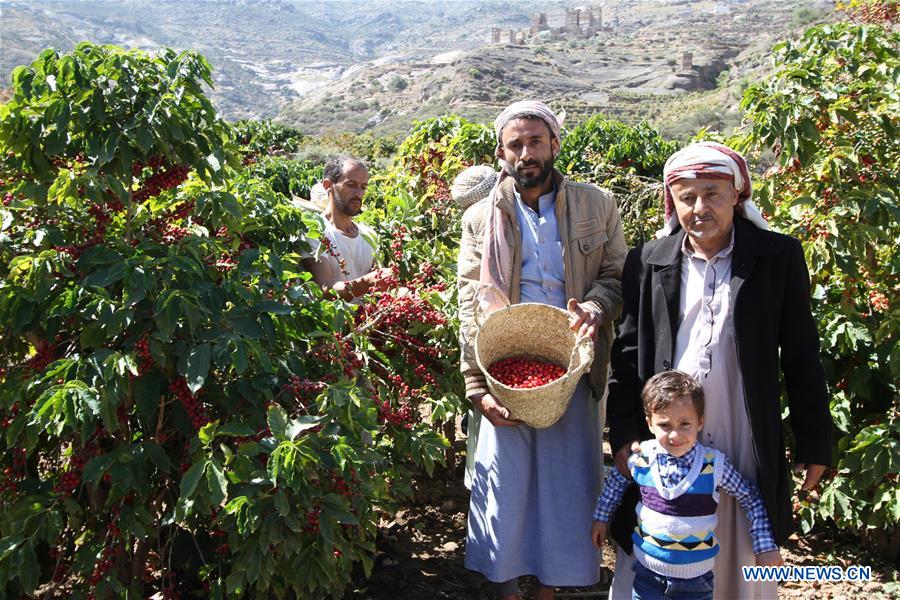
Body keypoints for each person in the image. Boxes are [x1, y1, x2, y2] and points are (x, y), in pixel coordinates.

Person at [606, 142, 833, 599]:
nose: (700, 207)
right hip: (667, 432)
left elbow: (803, 355)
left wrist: (815, 440)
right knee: (662, 531)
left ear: (737, 195)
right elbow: (627, 354)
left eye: (712, 193)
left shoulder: (777, 257)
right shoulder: (649, 260)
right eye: (687, 196)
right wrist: (626, 432)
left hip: (742, 428)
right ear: (673, 202)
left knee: (740, 531)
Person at [458, 100, 628, 600]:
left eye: (535, 141)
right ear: (501, 153)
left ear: (555, 144)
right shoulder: (479, 219)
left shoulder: (597, 205)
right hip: (505, 365)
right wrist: (476, 385)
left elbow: (616, 276)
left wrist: (595, 307)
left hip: (573, 362)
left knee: (568, 478)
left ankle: (550, 589)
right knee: (506, 477)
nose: (526, 153)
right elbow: (470, 303)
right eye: (516, 144)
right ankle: (507, 587)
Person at [592, 370, 784, 600]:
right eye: (664, 424)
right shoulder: (642, 458)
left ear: (700, 422)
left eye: (685, 424)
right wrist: (601, 518)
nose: (675, 434)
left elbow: (749, 497)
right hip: (647, 577)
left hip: (695, 584)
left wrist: (764, 545)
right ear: (650, 424)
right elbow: (616, 482)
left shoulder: (713, 465)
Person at [301, 155, 392, 301]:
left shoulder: (369, 235)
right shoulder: (314, 232)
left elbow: (377, 290)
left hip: (366, 322)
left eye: (363, 187)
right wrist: (367, 282)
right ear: (328, 185)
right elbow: (324, 289)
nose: (358, 193)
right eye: (351, 185)